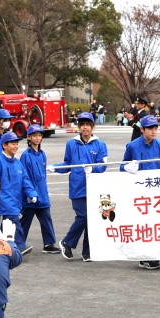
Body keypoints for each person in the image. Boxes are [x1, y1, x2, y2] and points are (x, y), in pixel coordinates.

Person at [48, 112, 108, 261]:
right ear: (79, 126)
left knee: (91, 219)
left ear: (93, 127)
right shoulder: (71, 144)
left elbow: (103, 165)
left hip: (94, 187)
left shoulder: (100, 144)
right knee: (83, 216)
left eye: (88, 125)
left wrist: (93, 169)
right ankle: (67, 242)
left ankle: (87, 252)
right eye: (83, 125)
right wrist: (55, 167)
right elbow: (68, 164)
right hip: (77, 187)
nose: (85, 128)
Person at [120, 115, 160, 270]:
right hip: (138, 193)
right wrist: (126, 168)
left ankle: (152, 254)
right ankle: (144, 256)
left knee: (155, 224)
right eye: (150, 128)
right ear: (142, 129)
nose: (153, 131)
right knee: (142, 225)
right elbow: (122, 166)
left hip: (156, 193)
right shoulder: (132, 146)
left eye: (156, 128)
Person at [0, 132, 38, 255]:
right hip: (3, 200)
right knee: (13, 221)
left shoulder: (18, 163)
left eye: (17, 143)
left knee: (1, 228)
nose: (16, 146)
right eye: (13, 144)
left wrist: (32, 193)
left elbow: (25, 180)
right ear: (4, 145)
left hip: (15, 200)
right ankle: (20, 246)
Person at [20, 124, 60, 254]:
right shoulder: (25, 155)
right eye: (34, 136)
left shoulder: (42, 154)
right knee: (25, 220)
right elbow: (24, 176)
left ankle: (48, 244)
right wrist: (29, 193)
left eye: (39, 135)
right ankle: (18, 244)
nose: (37, 138)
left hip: (42, 193)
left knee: (46, 218)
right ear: (29, 137)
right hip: (30, 195)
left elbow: (43, 176)